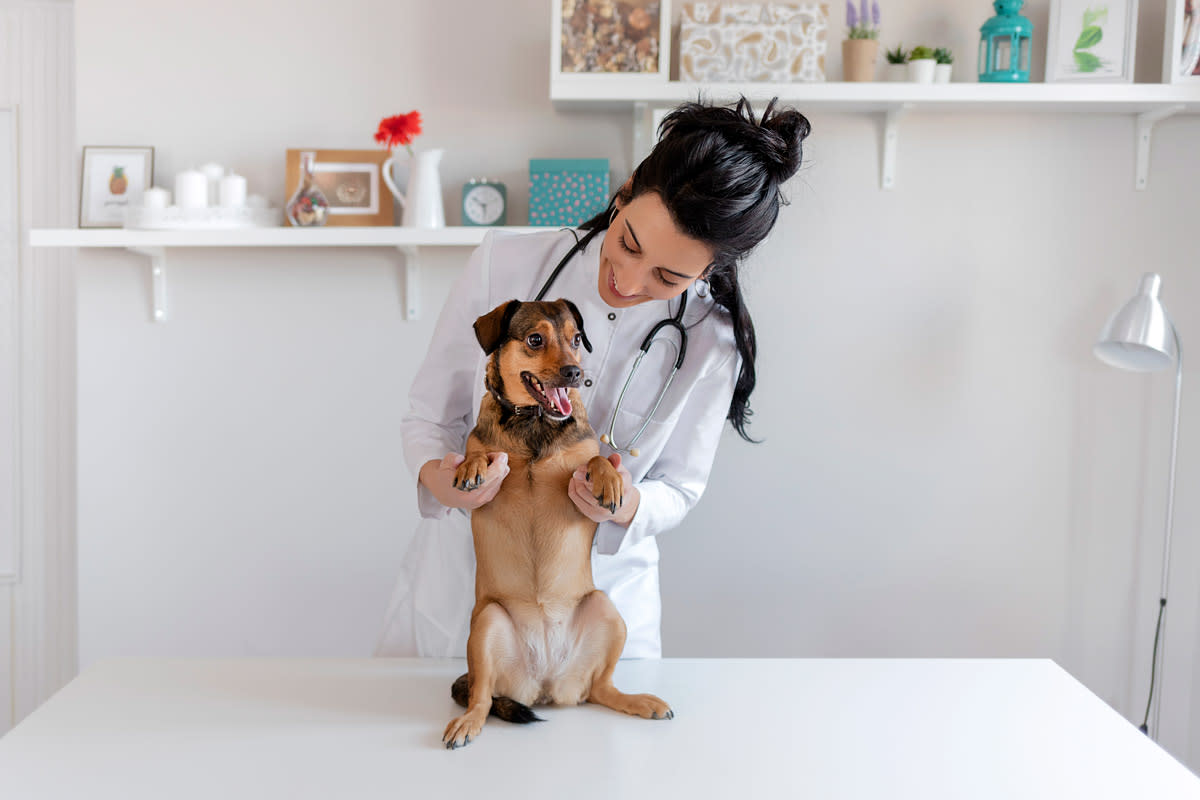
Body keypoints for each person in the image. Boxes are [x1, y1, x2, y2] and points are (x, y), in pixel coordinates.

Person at [375, 97, 811, 659]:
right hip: (468, 587)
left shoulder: (710, 340)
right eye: (628, 242)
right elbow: (429, 416)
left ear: (711, 271)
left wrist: (625, 506)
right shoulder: (504, 264)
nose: (627, 281)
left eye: (668, 276)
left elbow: (679, 487)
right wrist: (441, 480)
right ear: (624, 192)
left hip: (599, 607)